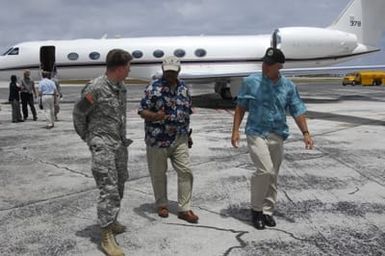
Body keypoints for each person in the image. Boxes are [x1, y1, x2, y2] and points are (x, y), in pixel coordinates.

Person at [231, 47, 314, 230]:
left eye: (269, 64)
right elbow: (241, 107)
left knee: (273, 175)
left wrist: (305, 133)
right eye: (264, 62)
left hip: (277, 133)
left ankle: (268, 211)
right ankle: (256, 210)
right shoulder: (251, 82)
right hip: (256, 132)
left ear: (279, 66)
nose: (264, 66)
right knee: (265, 170)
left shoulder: (288, 86)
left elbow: (297, 110)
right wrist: (235, 130)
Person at [73, 49, 132, 256]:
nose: (129, 70)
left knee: (120, 185)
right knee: (109, 190)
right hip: (103, 147)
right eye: (128, 66)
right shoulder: (96, 87)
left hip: (119, 146)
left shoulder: (121, 88)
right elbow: (79, 113)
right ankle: (106, 236)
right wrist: (90, 139)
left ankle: (112, 221)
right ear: (120, 67)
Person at [138, 56, 198, 224]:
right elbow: (142, 111)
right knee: (158, 174)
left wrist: (188, 136)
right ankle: (162, 204)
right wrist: (155, 115)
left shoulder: (184, 88)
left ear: (178, 70)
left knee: (186, 172)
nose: (170, 74)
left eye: (173, 71)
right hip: (157, 139)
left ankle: (184, 209)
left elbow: (186, 114)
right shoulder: (153, 88)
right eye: (167, 71)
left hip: (179, 138)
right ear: (163, 69)